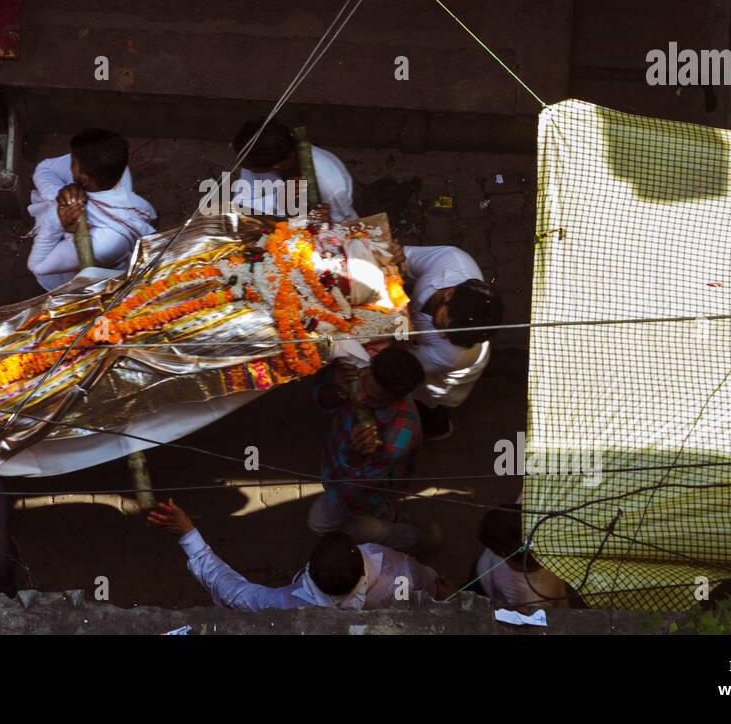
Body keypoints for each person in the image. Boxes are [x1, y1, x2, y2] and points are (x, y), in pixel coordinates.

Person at [148, 499, 452, 610]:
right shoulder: (393, 570)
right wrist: (442, 589)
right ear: (361, 566)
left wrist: (189, 534)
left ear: (309, 569)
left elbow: (229, 587)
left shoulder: (286, 603)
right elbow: (427, 580)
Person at [307, 343, 438, 554]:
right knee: (377, 509)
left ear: (395, 400)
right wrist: (337, 388)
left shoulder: (399, 436)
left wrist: (355, 453)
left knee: (319, 524)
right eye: (364, 383)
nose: (359, 397)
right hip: (334, 467)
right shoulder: (359, 368)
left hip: (358, 488)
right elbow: (319, 394)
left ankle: (414, 540)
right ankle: (390, 515)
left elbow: (357, 483)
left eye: (374, 399)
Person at [27, 129, 157, 291]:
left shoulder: (104, 242)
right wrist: (59, 195)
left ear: (84, 178)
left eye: (73, 161)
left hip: (77, 284)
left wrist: (56, 219)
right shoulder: (114, 171)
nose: (69, 163)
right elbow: (45, 168)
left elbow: (38, 265)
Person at [398, 243, 503, 442]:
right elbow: (404, 259)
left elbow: (404, 357)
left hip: (444, 374)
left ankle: (437, 430)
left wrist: (398, 319)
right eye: (447, 327)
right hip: (410, 326)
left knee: (431, 401)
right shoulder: (452, 259)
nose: (446, 338)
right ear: (449, 294)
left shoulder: (453, 353)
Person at [230, 118, 358, 222]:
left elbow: (345, 226)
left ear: (276, 167)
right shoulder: (254, 156)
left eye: (248, 167)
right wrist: (277, 201)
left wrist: (325, 222)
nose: (241, 167)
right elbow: (239, 206)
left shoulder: (331, 184)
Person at [472, 503, 570, 614]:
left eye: (491, 547)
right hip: (484, 579)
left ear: (502, 553)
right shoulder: (526, 529)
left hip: (493, 595)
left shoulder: (532, 600)